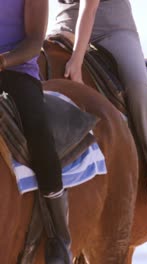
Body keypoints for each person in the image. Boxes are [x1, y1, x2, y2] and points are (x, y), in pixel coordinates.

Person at [53, 0, 147, 207]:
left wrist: (77, 60)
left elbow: (89, 8)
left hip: (112, 31)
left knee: (138, 88)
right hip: (64, 30)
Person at [0, 0, 72, 262]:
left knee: (38, 130)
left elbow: (34, 41)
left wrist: (3, 60)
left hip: (16, 72)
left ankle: (58, 236)